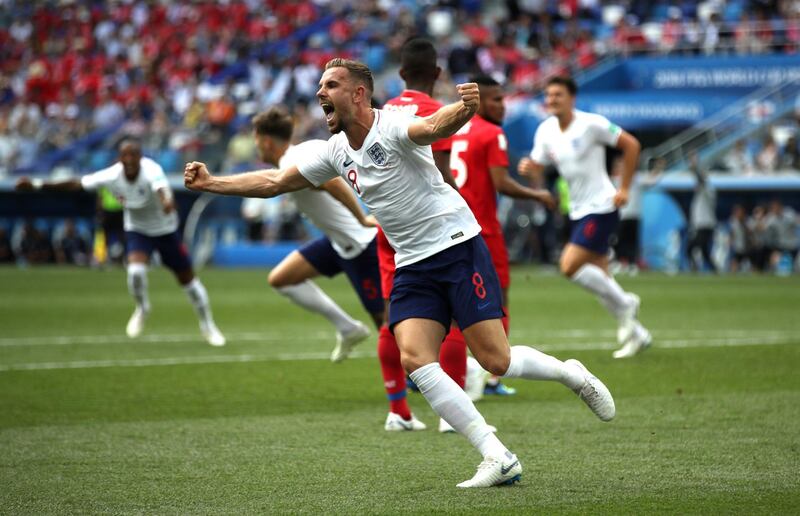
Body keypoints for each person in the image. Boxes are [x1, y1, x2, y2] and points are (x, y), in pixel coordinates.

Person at [184, 58, 616, 488]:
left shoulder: (392, 124)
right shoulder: (333, 150)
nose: (320, 93)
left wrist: (464, 109)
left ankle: (570, 373)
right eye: (319, 85)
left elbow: (432, 127)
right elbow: (275, 183)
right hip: (411, 262)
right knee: (414, 358)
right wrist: (212, 182)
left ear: (358, 94)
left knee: (494, 360)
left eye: (331, 84)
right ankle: (496, 455)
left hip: (456, 246)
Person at [17, 138, 226, 346]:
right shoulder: (112, 175)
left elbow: (162, 190)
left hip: (165, 230)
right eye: (125, 155)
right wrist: (36, 184)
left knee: (189, 282)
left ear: (140, 157)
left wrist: (167, 203)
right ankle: (142, 308)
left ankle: (208, 325)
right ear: (119, 158)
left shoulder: (151, 170)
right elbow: (76, 183)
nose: (129, 159)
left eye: (133, 154)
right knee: (135, 272)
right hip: (138, 230)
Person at [518, 76, 651, 359]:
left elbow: (632, 145)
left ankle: (627, 305)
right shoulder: (545, 131)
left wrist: (624, 187)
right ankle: (638, 334)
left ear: (572, 98)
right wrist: (529, 169)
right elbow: (539, 168)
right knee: (602, 279)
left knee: (569, 266)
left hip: (602, 205)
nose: (552, 99)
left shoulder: (592, 124)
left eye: (558, 95)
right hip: (576, 210)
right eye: (549, 95)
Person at [381, 37, 476, 432]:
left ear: (401, 74)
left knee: (395, 316)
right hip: (430, 227)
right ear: (437, 74)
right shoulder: (436, 111)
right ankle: (449, 414)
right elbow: (441, 170)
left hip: (389, 226)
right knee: (453, 317)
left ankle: (398, 410)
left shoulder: (383, 110)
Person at [450, 74, 555, 396]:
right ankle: (491, 376)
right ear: (478, 101)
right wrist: (538, 195)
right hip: (483, 230)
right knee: (498, 300)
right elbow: (502, 184)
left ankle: (445, 369)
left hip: (450, 227)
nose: (501, 106)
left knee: (453, 303)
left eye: (502, 99)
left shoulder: (454, 130)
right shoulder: (492, 133)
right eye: (495, 99)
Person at [250, 107, 380, 363]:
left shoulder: (291, 162)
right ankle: (348, 328)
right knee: (282, 278)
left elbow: (331, 183)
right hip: (337, 243)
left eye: (257, 142)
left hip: (361, 244)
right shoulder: (298, 154)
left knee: (389, 324)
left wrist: (361, 218)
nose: (257, 148)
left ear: (266, 141)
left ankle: (462, 367)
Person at [687, 153, 718, 273]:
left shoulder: (707, 189)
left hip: (705, 225)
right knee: (704, 252)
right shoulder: (701, 192)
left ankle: (694, 269)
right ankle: (714, 270)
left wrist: (695, 166)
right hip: (702, 225)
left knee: (690, 248)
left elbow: (700, 179)